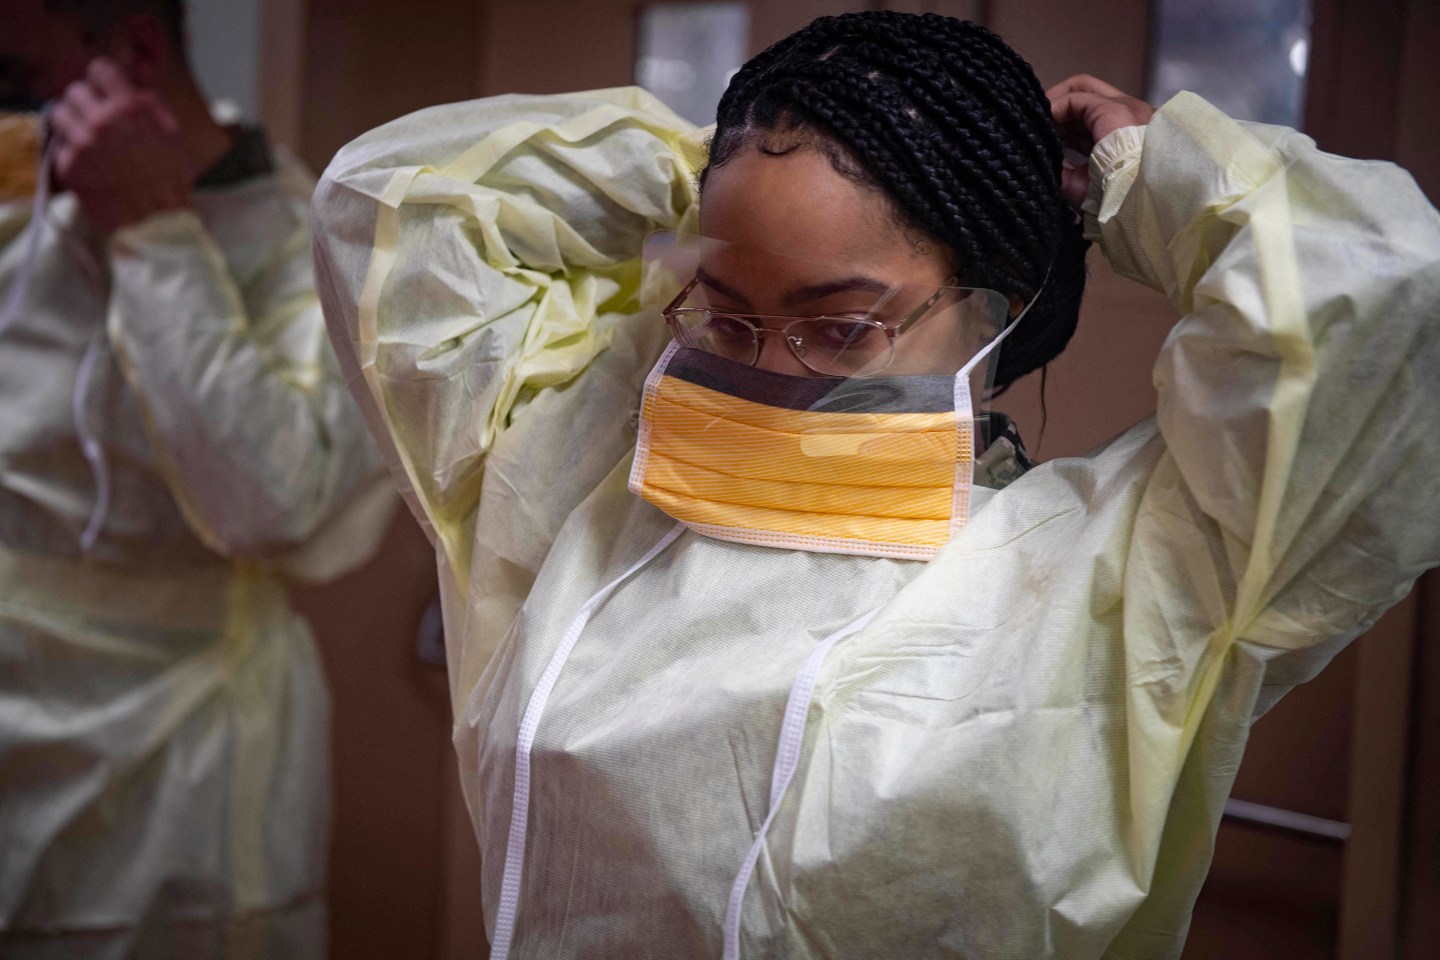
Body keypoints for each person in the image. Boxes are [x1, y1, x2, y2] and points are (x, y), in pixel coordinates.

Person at [312, 11, 1440, 959]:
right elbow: (392, 204)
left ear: (998, 311)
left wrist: (1141, 175)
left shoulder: (1122, 578)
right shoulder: (578, 489)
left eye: (841, 326)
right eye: (727, 316)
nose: (769, 370)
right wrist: (758, 153)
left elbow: (1383, 289)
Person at [0, 1, 394, 956]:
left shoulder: (321, 251)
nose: (14, 116)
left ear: (129, 54)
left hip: (190, 755)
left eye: (21, 80)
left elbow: (272, 504)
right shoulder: (25, 204)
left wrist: (156, 235)